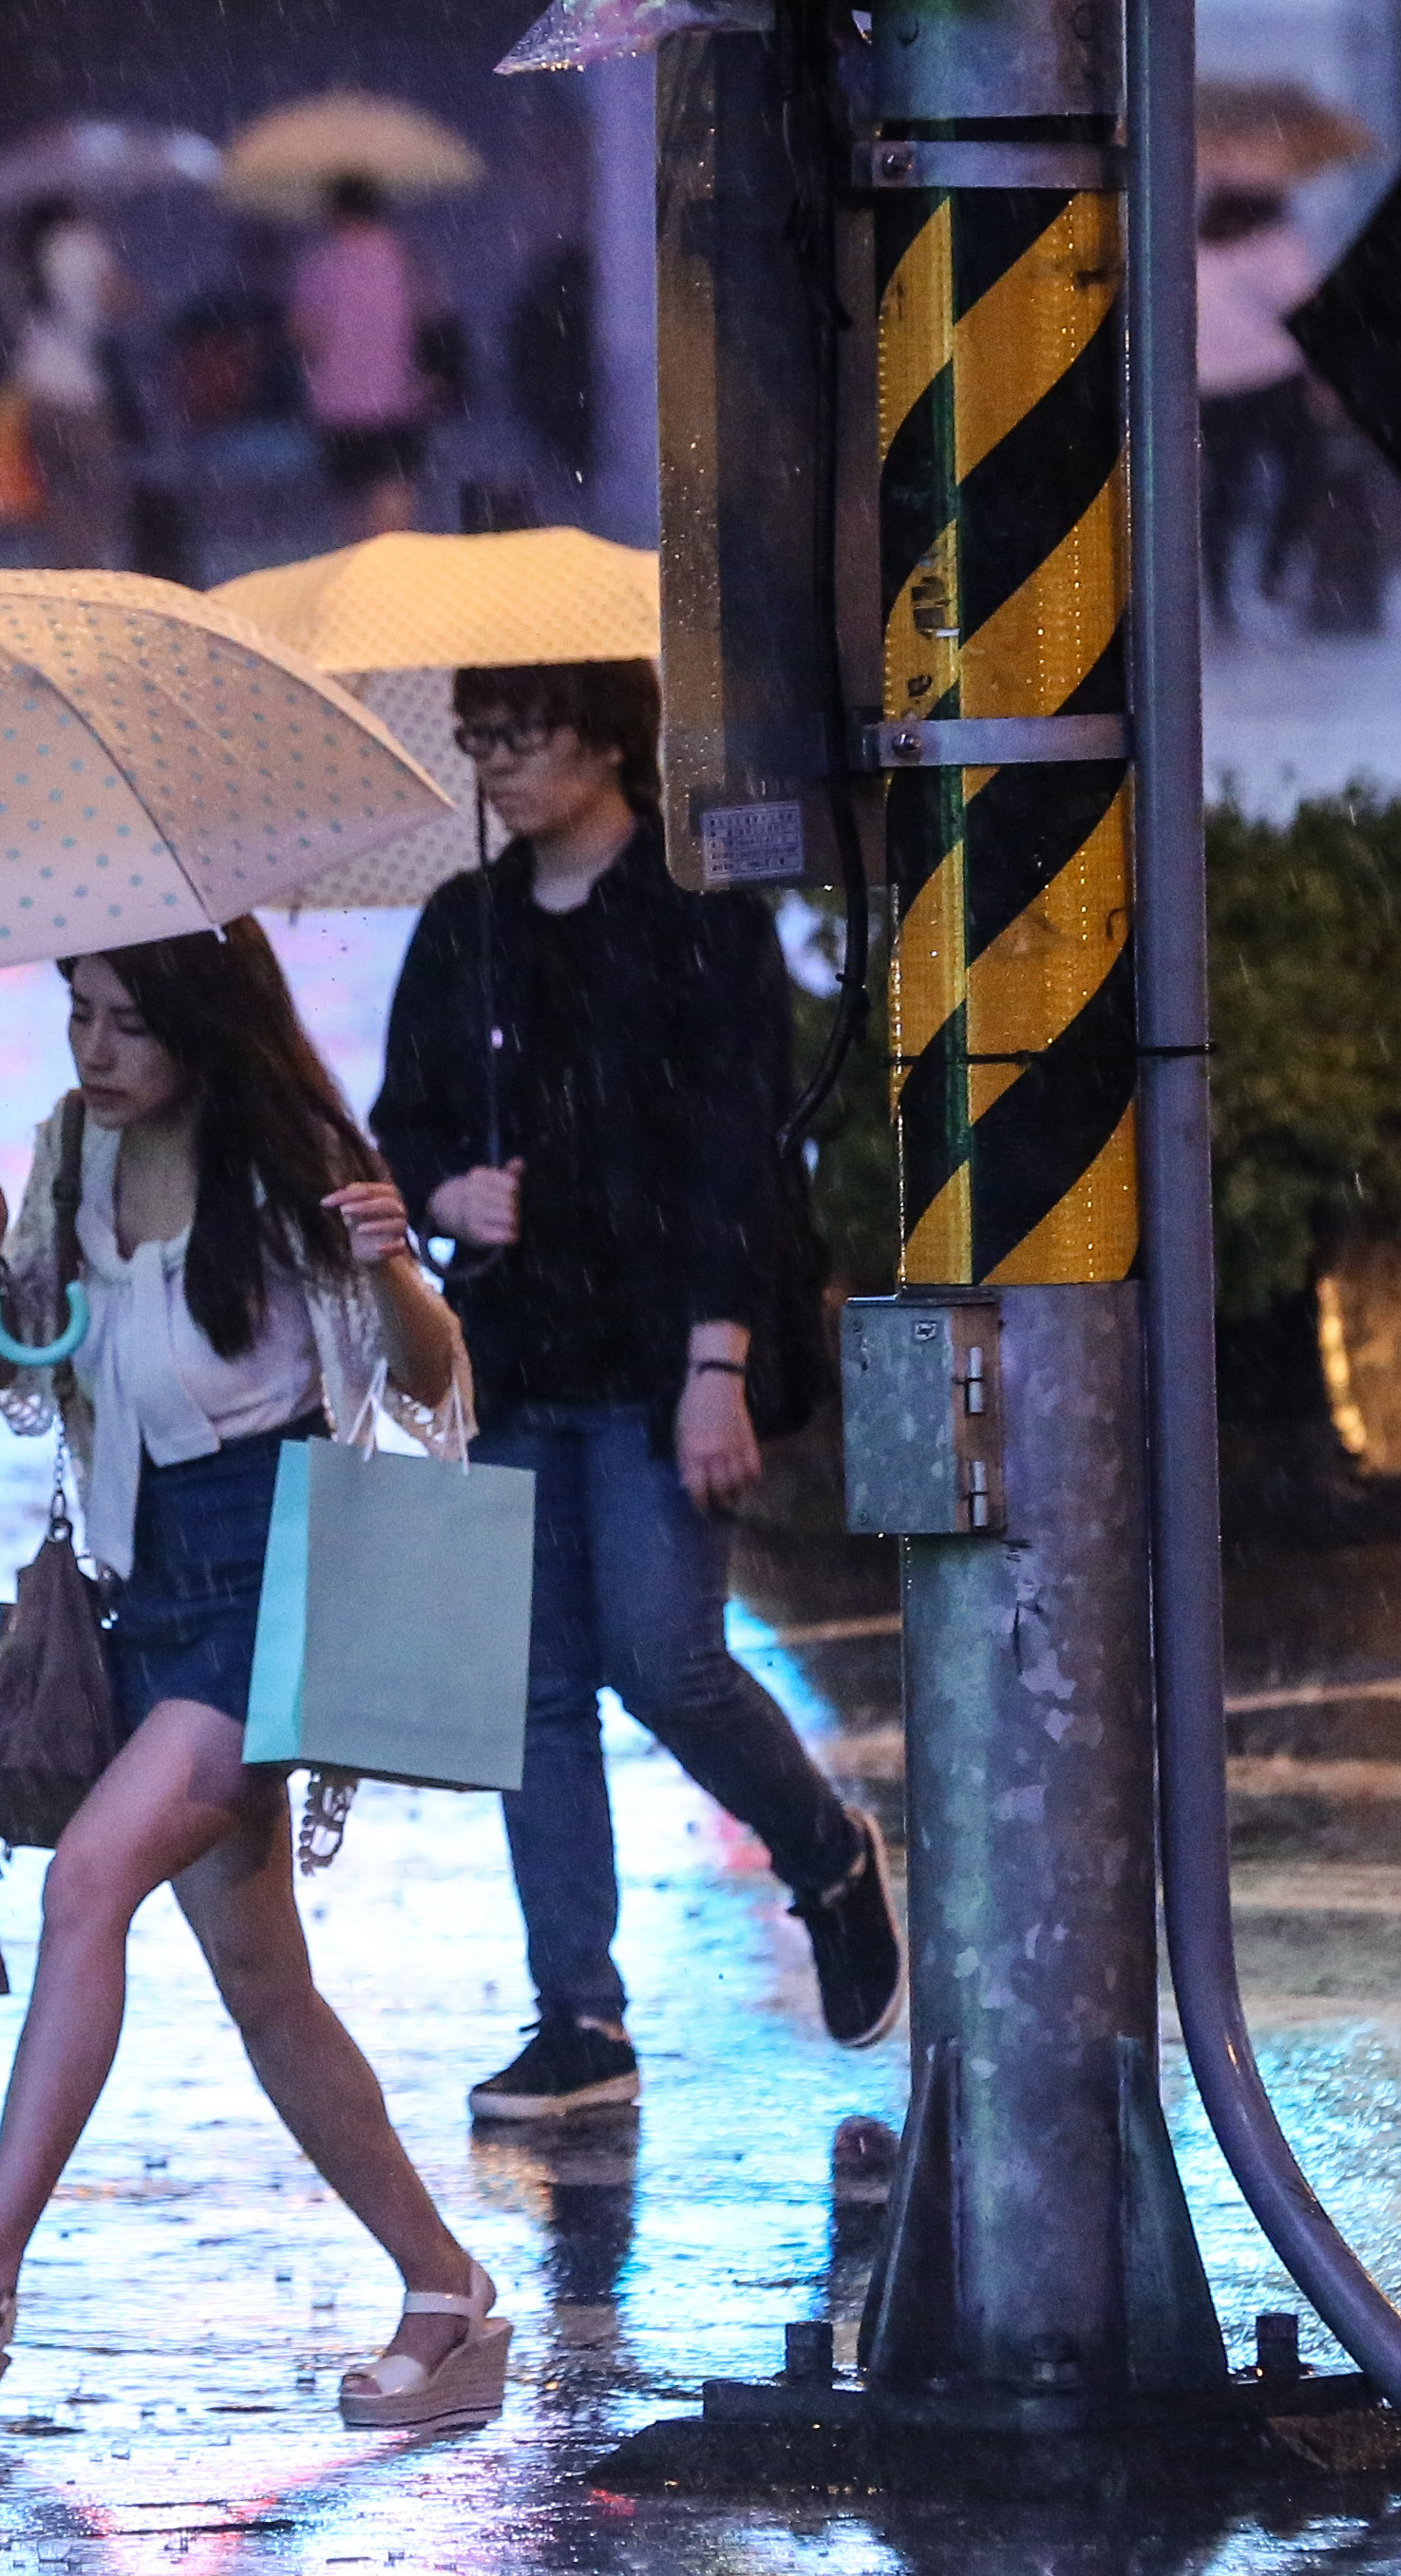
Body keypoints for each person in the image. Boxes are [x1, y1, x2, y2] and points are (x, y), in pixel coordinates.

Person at [0, 922, 507, 2441]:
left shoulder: (290, 1158)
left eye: (124, 1024)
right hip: (147, 1598)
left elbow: (427, 1376)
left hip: (270, 1589)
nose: (92, 1049)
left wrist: (396, 1264)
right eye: (77, 1014)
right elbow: (26, 1369)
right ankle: (445, 2291)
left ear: (202, 1029)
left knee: (89, 1883)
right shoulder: (70, 1152)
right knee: (265, 1983)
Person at [373, 659, 903, 2124]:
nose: (495, 765)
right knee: (535, 1692)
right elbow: (399, 1118)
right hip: (511, 1354)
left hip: (659, 1350)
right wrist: (444, 1192)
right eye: (476, 737)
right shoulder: (463, 929)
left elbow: (737, 1153)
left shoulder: (697, 921)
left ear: (609, 738)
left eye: (521, 734)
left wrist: (717, 1363)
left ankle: (825, 1854)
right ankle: (581, 2016)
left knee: (664, 1660)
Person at [1198, 185, 1323, 633]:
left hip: (1214, 384)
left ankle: (1218, 595)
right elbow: (1303, 308)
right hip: (1273, 376)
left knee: (1225, 489)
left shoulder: (1192, 248)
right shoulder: (1279, 244)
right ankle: (1273, 567)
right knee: (1304, 471)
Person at [289, 177, 438, 540]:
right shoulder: (405, 259)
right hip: (396, 404)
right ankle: (388, 589)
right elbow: (429, 321)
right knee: (394, 522)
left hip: (338, 407)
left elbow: (304, 335)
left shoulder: (319, 264)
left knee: (351, 523)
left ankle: (353, 588)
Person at [11, 198, 130, 570]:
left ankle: (62, 571)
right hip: (80, 392)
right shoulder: (83, 242)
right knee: (95, 495)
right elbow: (114, 299)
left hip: (35, 390)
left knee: (58, 494)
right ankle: (87, 574)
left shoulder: (27, 253)